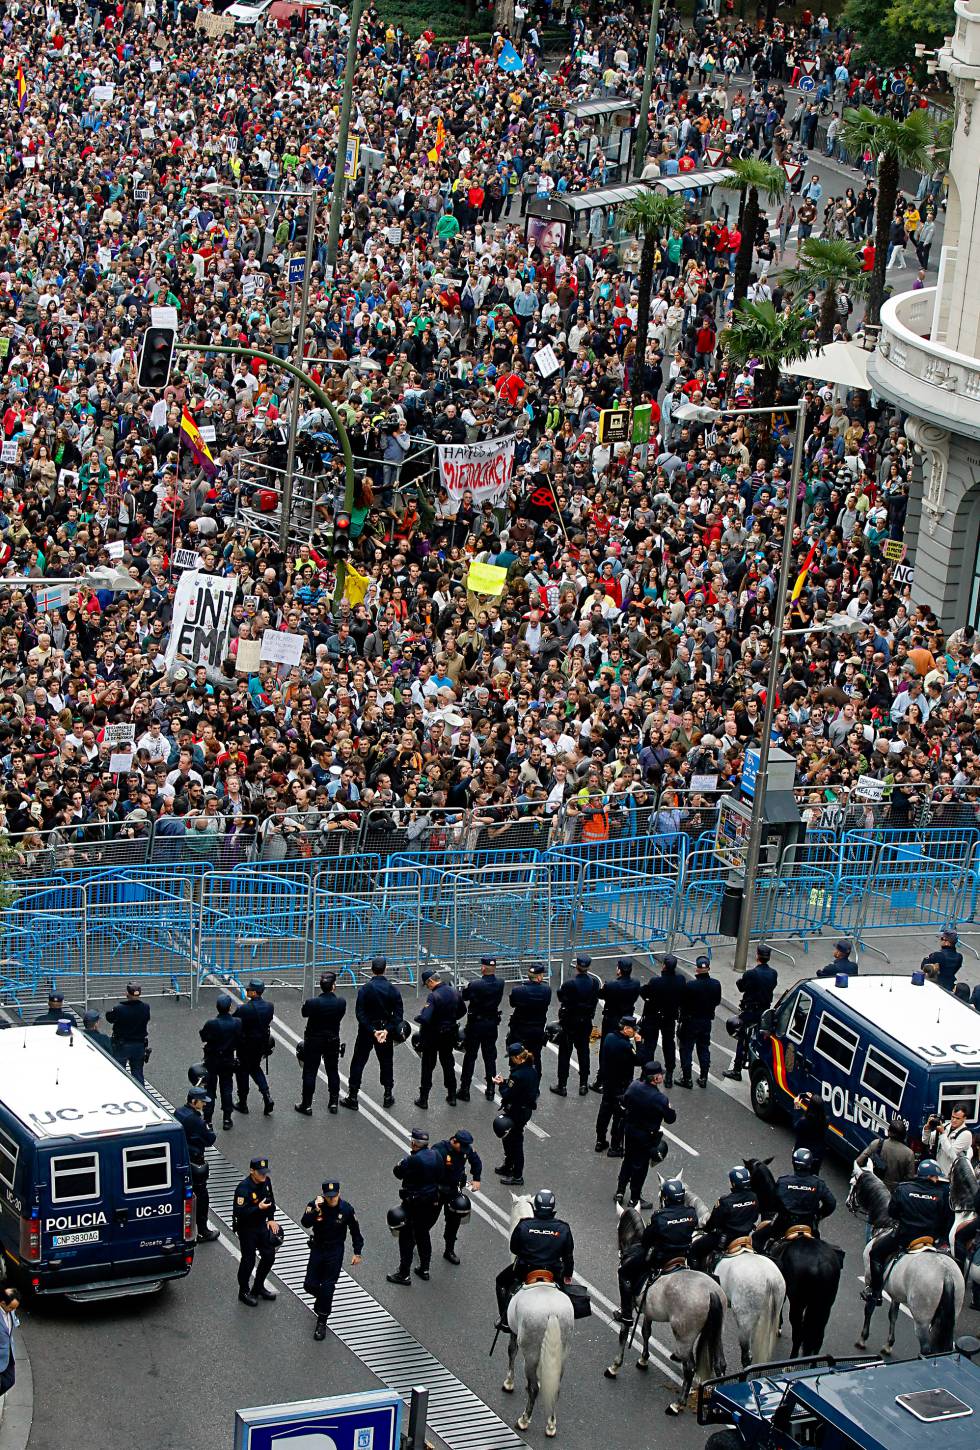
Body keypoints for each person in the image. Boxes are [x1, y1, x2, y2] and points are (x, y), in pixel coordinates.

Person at [864, 1159, 953, 1305]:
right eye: (935, 1176)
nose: (937, 1179)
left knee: (875, 1253)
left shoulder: (903, 1189)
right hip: (930, 1239)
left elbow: (892, 1213)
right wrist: (939, 1238)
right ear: (930, 1176)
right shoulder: (942, 1193)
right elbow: (946, 1220)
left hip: (905, 1237)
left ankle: (876, 1294)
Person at [616, 1179, 697, 1324]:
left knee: (624, 1272)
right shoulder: (691, 1212)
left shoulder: (660, 1217)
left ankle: (626, 1314)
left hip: (662, 1258)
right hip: (684, 1255)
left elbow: (646, 1241)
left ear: (665, 1198)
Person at [495, 1189, 573, 1329]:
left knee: (501, 1282)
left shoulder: (524, 1225)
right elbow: (568, 1256)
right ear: (553, 1207)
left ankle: (505, 1319)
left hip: (526, 1270)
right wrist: (567, 1275)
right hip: (553, 1273)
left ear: (535, 1206)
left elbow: (514, 1249)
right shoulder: (563, 1228)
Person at [301, 1179, 364, 1341]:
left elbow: (355, 1231)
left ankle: (322, 1321)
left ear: (339, 1194)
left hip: (335, 1250)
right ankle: (322, 1299)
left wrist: (357, 1252)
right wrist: (315, 1209)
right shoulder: (315, 1206)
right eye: (328, 1197)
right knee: (309, 1284)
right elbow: (305, 1222)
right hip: (318, 1247)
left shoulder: (346, 1209)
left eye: (334, 1196)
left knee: (328, 1287)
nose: (332, 1200)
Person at [342, 958, 404, 1111]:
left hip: (366, 1031)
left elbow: (360, 1013)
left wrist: (372, 1030)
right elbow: (398, 1015)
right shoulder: (393, 990)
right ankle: (388, 1094)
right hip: (385, 1031)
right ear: (385, 969)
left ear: (372, 969)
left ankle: (353, 1095)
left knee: (358, 1062)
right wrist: (386, 1030)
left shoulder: (365, 989)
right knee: (386, 1062)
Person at [616, 1060, 676, 1209]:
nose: (662, 1076)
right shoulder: (660, 1099)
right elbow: (670, 1118)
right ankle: (635, 1198)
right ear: (655, 1078)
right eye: (660, 1075)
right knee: (640, 1167)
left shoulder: (634, 1086)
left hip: (630, 1130)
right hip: (645, 1136)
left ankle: (620, 1190)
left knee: (628, 1160)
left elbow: (624, 1100)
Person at [386, 1127, 442, 1286]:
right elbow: (440, 1174)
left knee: (406, 1237)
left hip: (414, 1203)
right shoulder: (436, 1155)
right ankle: (424, 1269)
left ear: (414, 1144)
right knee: (423, 1234)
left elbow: (398, 1172)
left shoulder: (412, 1160)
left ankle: (404, 1274)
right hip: (431, 1201)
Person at [233, 1156, 282, 1306]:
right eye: (260, 1173)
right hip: (247, 1228)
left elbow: (270, 1200)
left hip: (261, 1225)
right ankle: (243, 1291)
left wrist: (271, 1218)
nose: (264, 1175)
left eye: (265, 1172)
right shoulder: (243, 1189)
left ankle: (258, 1286)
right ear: (251, 1171)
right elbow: (239, 1213)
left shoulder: (266, 1182)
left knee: (269, 1255)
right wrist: (257, 1208)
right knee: (248, 1261)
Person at [295, 972, 346, 1116]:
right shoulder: (340, 1002)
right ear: (333, 986)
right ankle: (334, 1102)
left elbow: (304, 1013)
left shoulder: (313, 1003)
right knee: (332, 1070)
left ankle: (306, 1104)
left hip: (314, 1041)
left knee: (310, 1072)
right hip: (332, 1040)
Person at [724, 945, 777, 1081]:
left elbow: (741, 987)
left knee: (742, 1038)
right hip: (764, 1011)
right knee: (760, 1039)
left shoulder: (751, 974)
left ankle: (737, 1069)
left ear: (757, 956)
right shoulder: (773, 973)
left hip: (750, 1011)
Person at [414, 967, 465, 1109]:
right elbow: (462, 1010)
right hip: (449, 1034)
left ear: (430, 981)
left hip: (432, 1035)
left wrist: (418, 1017)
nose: (428, 987)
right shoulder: (454, 991)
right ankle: (452, 1095)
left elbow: (425, 1018)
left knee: (428, 1066)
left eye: (427, 984)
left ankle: (423, 1099)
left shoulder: (433, 996)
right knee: (448, 1063)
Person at [175, 1086, 220, 1242]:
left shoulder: (179, 1112)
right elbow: (210, 1139)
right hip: (195, 1160)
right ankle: (202, 1231)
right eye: (202, 1102)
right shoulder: (196, 1120)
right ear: (194, 1102)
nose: (204, 1104)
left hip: (182, 1158)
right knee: (201, 1197)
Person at [552, 953, 600, 1096]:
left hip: (569, 1023)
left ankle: (562, 1085)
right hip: (585, 1022)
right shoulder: (594, 983)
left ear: (577, 966)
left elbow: (561, 997)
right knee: (584, 1052)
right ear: (588, 967)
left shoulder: (569, 983)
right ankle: (583, 1084)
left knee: (565, 1053)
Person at [432, 1128, 482, 1264]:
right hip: (438, 1190)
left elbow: (476, 1161)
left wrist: (477, 1178)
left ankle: (449, 1250)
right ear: (454, 1141)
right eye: (462, 1146)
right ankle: (415, 1241)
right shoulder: (439, 1150)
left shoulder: (466, 1150)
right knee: (429, 1219)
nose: (465, 1150)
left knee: (453, 1222)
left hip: (453, 1190)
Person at [694, 1166, 760, 1269]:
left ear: (733, 1183)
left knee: (694, 1249)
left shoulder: (725, 1201)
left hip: (725, 1240)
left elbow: (714, 1223)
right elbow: (755, 1217)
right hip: (746, 1237)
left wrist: (706, 1229)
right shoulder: (754, 1197)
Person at [458, 956, 504, 1102]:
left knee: (470, 1056)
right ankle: (491, 1089)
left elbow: (464, 997)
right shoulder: (500, 983)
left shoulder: (476, 984)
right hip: (491, 1024)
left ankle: (465, 1089)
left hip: (476, 1025)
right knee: (490, 1057)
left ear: (483, 968)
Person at [591, 959, 641, 1089]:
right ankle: (624, 1079)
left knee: (606, 1050)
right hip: (627, 1020)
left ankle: (601, 1080)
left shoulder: (612, 985)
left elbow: (600, 995)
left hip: (612, 1020)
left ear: (619, 970)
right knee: (625, 1049)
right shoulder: (636, 983)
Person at [594, 1016, 641, 1157]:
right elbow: (639, 1060)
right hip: (621, 1085)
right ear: (626, 1029)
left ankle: (600, 1140)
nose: (635, 1033)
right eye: (633, 1030)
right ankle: (615, 1146)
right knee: (619, 1117)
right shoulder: (625, 1045)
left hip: (608, 1083)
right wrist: (639, 1044)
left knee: (604, 1113)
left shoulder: (609, 1037)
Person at [494, 1042, 539, 1186]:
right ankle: (508, 1166)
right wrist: (507, 1082)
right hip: (524, 1109)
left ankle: (517, 1175)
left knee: (515, 1142)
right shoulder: (531, 1070)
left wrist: (501, 1084)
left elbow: (508, 1093)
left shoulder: (518, 1074)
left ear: (516, 1058)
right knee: (508, 1138)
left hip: (517, 1111)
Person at [638, 953, 685, 1088]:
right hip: (669, 1017)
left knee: (650, 1045)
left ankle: (647, 1073)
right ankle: (669, 1073)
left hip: (654, 1017)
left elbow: (644, 992)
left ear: (664, 966)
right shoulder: (680, 980)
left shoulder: (656, 982)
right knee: (668, 1044)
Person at [771, 1147, 837, 1240]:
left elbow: (773, 1201)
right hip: (809, 1225)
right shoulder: (818, 1183)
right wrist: (818, 1215)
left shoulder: (783, 1181)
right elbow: (831, 1203)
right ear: (810, 1164)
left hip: (784, 1226)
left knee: (759, 1238)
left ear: (793, 1163)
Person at [200, 994, 243, 1130]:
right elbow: (239, 1039)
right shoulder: (237, 1022)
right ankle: (227, 1118)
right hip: (228, 1059)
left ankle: (208, 1120)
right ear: (230, 1007)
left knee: (210, 1090)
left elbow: (203, 1037)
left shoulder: (211, 1023)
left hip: (212, 1059)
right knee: (227, 1089)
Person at [678, 955, 721, 1089]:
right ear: (708, 968)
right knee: (703, 1049)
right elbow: (717, 1001)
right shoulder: (715, 984)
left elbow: (682, 1003)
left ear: (696, 969)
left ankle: (687, 1079)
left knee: (686, 1050)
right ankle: (703, 1077)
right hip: (706, 1021)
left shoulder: (691, 985)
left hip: (690, 1022)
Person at [233, 980, 275, 1117]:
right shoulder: (270, 1006)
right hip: (260, 1046)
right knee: (256, 1068)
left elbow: (235, 1022)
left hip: (245, 1046)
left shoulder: (244, 1009)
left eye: (249, 989)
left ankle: (243, 1103)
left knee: (242, 1072)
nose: (246, 991)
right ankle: (267, 1095)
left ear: (254, 992)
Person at [506, 963, 551, 1079]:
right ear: (540, 977)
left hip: (520, 1030)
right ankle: (535, 1085)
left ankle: (515, 1082)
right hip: (537, 1030)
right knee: (536, 1057)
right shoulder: (547, 990)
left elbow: (512, 1004)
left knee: (516, 1055)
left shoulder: (518, 990)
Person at [855, 1114, 916, 1191]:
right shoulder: (909, 1154)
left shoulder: (876, 1143)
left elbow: (859, 1162)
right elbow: (910, 1179)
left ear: (888, 1132)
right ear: (904, 1135)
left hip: (874, 1189)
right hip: (895, 1192)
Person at [106, 982, 150, 1083]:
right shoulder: (145, 1007)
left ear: (127, 994)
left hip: (122, 1045)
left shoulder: (119, 1009)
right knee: (138, 1073)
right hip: (139, 1045)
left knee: (119, 1073)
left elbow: (110, 1018)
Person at [923, 1103, 974, 1175]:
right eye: (952, 1117)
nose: (954, 1120)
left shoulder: (966, 1134)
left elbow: (951, 1153)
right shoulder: (945, 1126)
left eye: (957, 1118)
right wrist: (927, 1128)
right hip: (938, 1172)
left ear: (964, 1119)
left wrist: (942, 1134)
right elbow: (926, 1141)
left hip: (952, 1176)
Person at [792, 1092, 829, 1173]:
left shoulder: (804, 1121)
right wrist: (814, 1099)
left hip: (802, 1153)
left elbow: (796, 1126)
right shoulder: (825, 1120)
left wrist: (797, 1106)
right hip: (817, 1155)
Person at [921, 928, 964, 992]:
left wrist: (927, 958)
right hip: (949, 985)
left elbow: (924, 967)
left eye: (942, 939)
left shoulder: (938, 955)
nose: (940, 940)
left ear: (947, 943)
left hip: (936, 984)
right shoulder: (959, 957)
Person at [0, 1287, 21, 1399]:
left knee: (10, 1381)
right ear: (3, 1303)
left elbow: (14, 1319)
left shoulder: (11, 1309)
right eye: (11, 1308)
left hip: (8, 1355)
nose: (13, 1310)